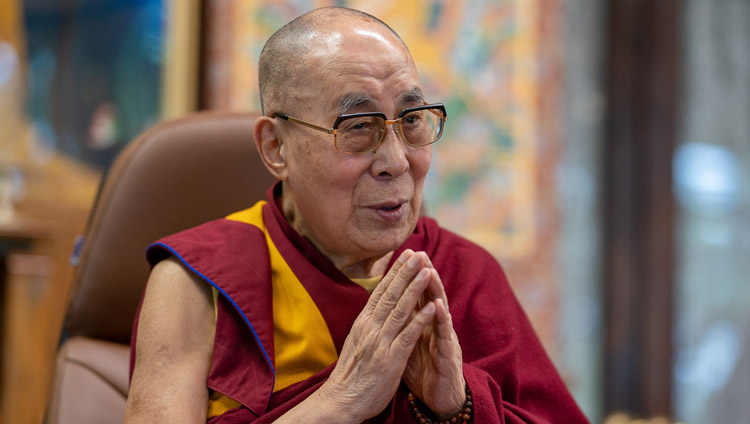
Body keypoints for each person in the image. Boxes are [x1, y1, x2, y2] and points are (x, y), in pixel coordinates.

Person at [124, 6, 588, 424]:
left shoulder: (462, 276)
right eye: (359, 127)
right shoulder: (198, 284)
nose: (398, 160)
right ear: (276, 147)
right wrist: (338, 403)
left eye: (411, 121)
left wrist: (454, 409)